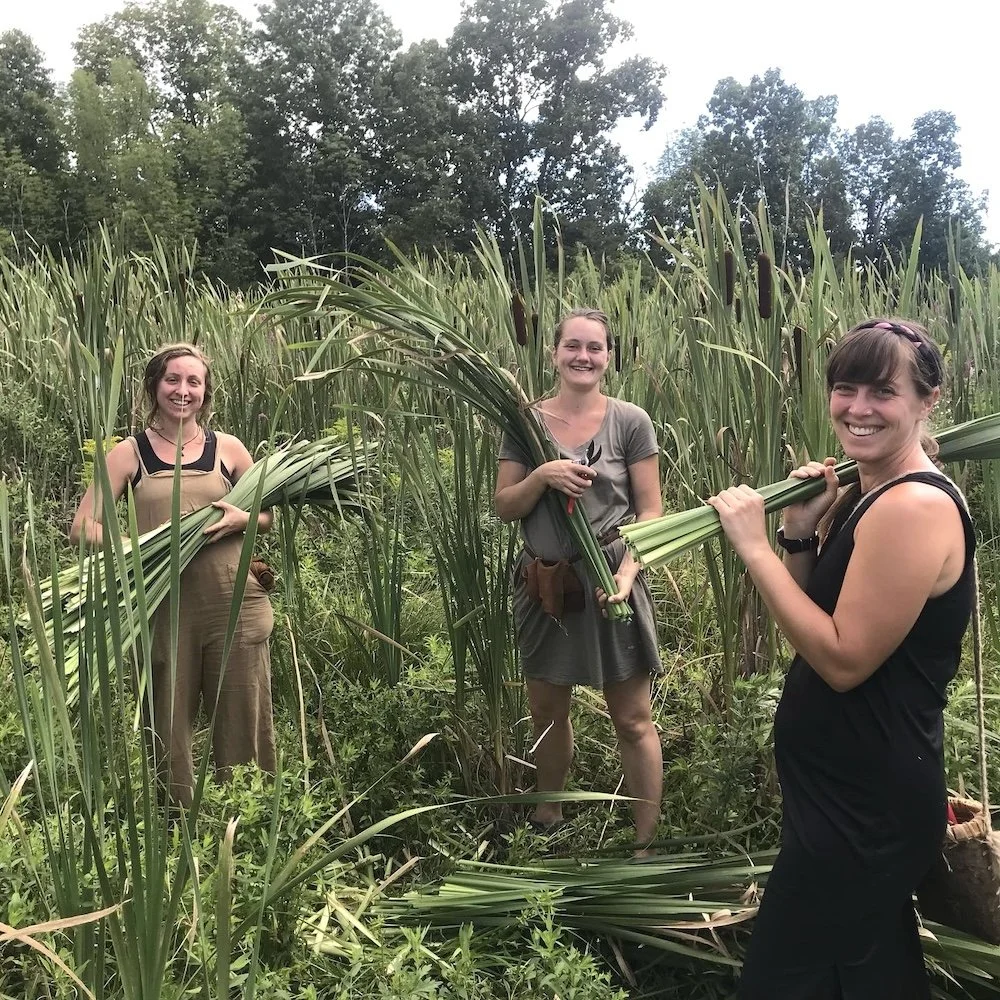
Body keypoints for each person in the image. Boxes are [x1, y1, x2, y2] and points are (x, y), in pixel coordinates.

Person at [706, 319, 975, 998]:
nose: (858, 407)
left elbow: (843, 660)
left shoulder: (912, 506)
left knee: (781, 980)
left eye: (882, 390)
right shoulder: (872, 491)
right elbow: (817, 624)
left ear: (928, 400)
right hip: (847, 794)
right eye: (844, 386)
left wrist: (754, 548)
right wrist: (798, 536)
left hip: (866, 811)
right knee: (868, 973)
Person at [70, 343, 276, 807]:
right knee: (167, 722)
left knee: (245, 716)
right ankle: (176, 826)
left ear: (205, 392)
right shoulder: (128, 454)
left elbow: (268, 513)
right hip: (163, 605)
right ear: (153, 386)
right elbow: (83, 526)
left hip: (236, 605)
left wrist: (244, 520)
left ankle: (247, 819)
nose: (182, 391)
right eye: (172, 380)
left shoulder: (228, 449)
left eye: (193, 382)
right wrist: (134, 548)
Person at [494, 307, 664, 849]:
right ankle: (549, 813)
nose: (583, 357)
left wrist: (627, 570)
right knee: (547, 710)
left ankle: (644, 839)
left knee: (633, 719)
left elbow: (652, 511)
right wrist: (542, 476)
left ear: (609, 357)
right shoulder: (525, 422)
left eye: (595, 348)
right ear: (554, 354)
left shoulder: (631, 421)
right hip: (548, 588)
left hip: (612, 582)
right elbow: (504, 506)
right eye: (573, 346)